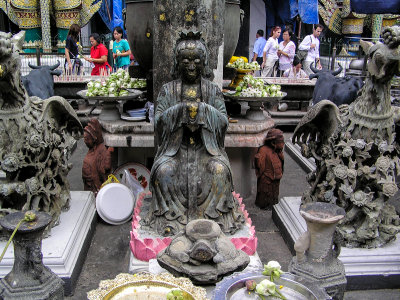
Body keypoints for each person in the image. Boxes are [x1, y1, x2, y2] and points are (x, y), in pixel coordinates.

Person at [142, 31, 244, 236]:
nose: (191, 65)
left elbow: (223, 122)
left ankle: (215, 219)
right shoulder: (168, 90)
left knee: (219, 171)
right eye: (186, 60)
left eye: (197, 60)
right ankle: (171, 219)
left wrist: (204, 111)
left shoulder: (213, 91)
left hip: (205, 150)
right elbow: (159, 122)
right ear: (177, 62)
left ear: (204, 62)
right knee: (163, 173)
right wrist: (180, 111)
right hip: (175, 151)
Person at [254, 128, 284, 210]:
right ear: (273, 142)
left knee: (274, 193)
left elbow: (281, 163)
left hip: (275, 178)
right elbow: (260, 166)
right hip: (267, 179)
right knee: (265, 193)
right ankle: (264, 205)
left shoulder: (278, 151)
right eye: (280, 142)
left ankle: (273, 203)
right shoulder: (264, 150)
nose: (282, 144)